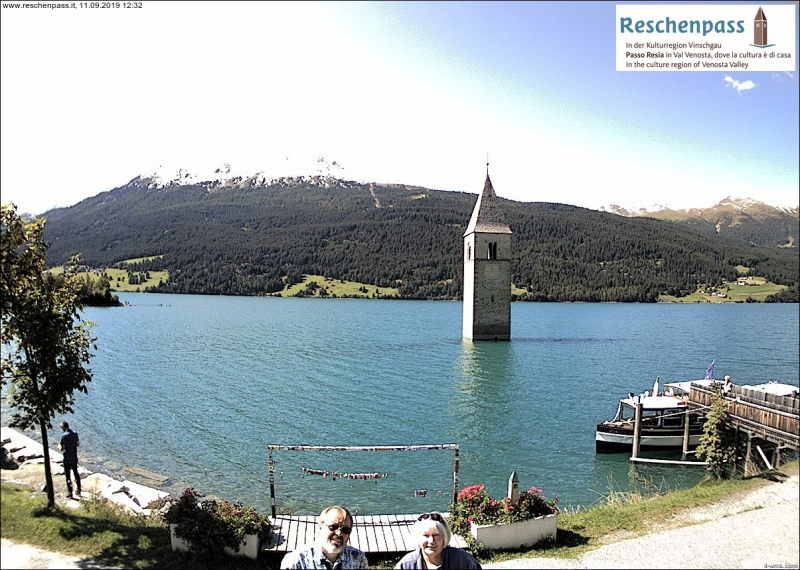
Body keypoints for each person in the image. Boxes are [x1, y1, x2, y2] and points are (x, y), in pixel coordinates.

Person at [280, 505, 368, 569]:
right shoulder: (295, 561)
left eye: (345, 530)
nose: (339, 533)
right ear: (320, 528)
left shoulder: (358, 558)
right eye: (333, 527)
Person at [395, 513, 481, 569]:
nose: (431, 541)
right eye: (426, 535)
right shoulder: (406, 565)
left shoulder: (462, 561)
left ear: (444, 537)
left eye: (436, 535)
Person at [58, 421, 81, 499]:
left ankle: (70, 493)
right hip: (74, 457)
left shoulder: (63, 436)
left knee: (68, 476)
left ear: (63, 427)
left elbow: (62, 448)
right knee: (76, 473)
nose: (61, 429)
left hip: (67, 458)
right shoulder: (75, 433)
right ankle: (79, 490)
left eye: (61, 428)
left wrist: (59, 446)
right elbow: (77, 444)